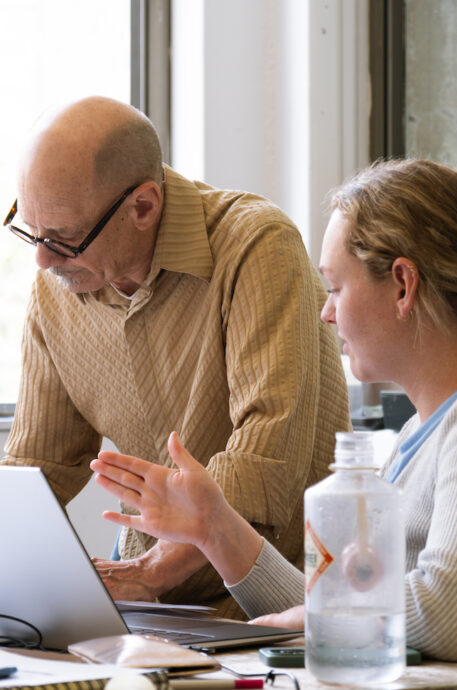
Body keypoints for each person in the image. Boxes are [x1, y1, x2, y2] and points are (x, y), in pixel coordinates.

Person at [90, 158, 457, 661]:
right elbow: (341, 610)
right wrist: (213, 526)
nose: (326, 313)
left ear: (402, 285)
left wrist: (312, 616)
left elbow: (443, 612)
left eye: (335, 287)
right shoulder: (415, 438)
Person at [1, 96, 351, 619]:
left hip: (283, 605)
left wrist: (150, 574)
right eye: (30, 230)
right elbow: (38, 471)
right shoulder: (58, 289)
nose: (42, 259)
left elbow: (266, 462)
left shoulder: (256, 246)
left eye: (64, 239)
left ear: (143, 207)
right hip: (151, 606)